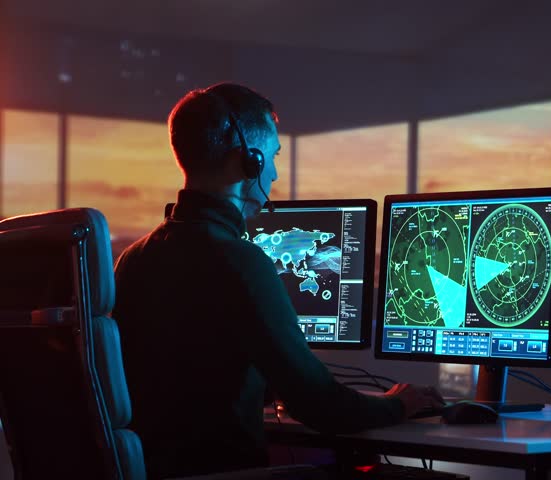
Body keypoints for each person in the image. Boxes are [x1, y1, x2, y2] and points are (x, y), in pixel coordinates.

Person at [112, 83, 443, 479]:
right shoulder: (239, 261)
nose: (274, 173)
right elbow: (320, 406)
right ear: (248, 161)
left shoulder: (133, 259)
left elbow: (185, 377)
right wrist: (400, 403)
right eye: (271, 157)